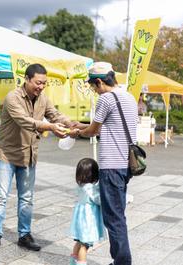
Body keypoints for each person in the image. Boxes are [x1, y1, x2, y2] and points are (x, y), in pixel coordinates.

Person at [0, 63, 81, 252]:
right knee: (0, 197)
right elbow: (25, 121)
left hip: (29, 155)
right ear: (27, 79)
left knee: (27, 198)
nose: (41, 87)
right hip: (7, 153)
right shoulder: (12, 98)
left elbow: (54, 115)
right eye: (38, 83)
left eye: (44, 83)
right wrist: (51, 127)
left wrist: (70, 123)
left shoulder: (43, 98)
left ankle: (24, 235)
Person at [68, 62, 137, 265]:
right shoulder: (129, 97)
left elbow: (93, 131)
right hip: (125, 164)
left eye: (93, 86)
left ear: (99, 81)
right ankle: (121, 260)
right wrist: (79, 124)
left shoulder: (106, 99)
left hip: (111, 166)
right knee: (117, 214)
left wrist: (77, 131)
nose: (94, 91)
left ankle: (122, 262)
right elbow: (105, 126)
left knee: (113, 218)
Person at [69, 158, 106, 265]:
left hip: (80, 219)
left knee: (79, 242)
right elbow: (98, 200)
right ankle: (81, 263)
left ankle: (73, 263)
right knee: (84, 245)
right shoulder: (90, 188)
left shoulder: (81, 186)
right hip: (87, 221)